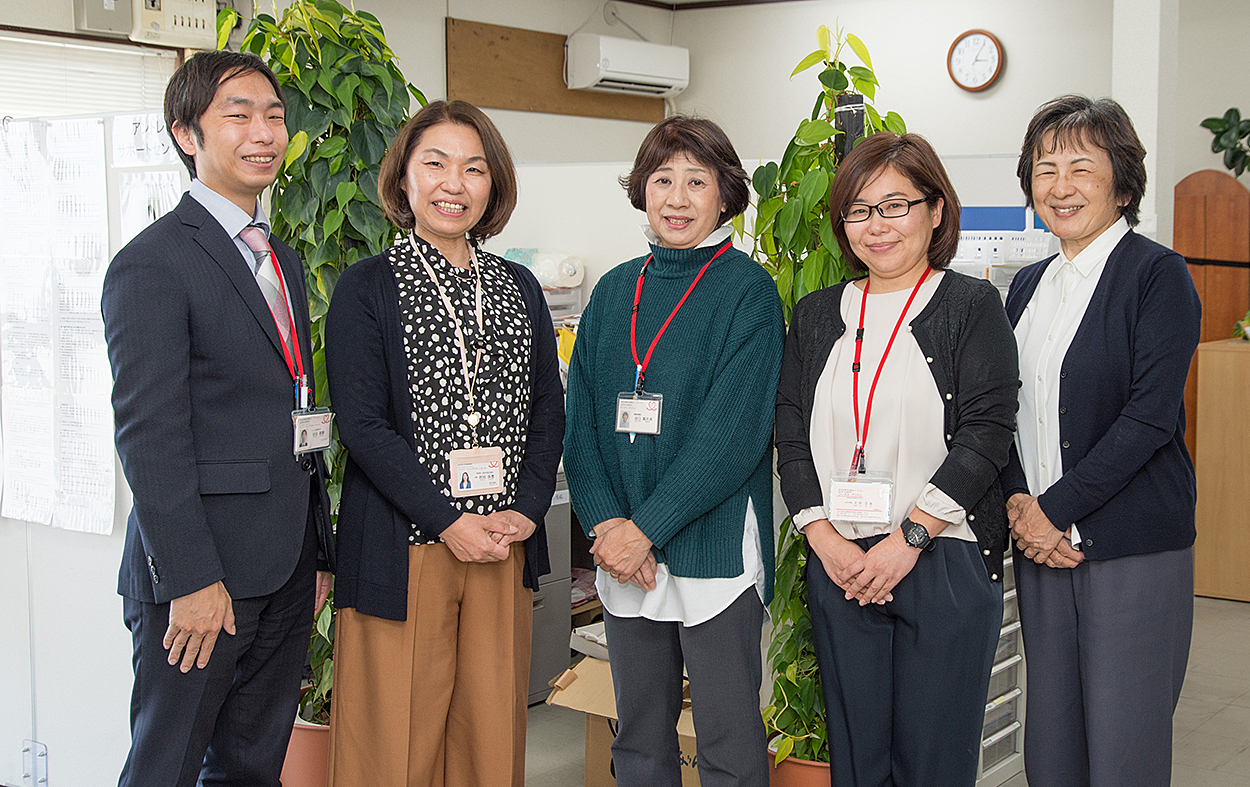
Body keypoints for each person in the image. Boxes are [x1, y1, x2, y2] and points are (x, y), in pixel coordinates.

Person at [102, 50, 334, 787]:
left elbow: (290, 407)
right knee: (165, 767)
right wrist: (192, 579)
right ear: (186, 134)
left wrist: (317, 551)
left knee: (249, 767)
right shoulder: (154, 263)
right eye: (238, 114)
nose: (263, 131)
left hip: (285, 565)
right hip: (202, 580)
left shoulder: (280, 260)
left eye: (273, 115)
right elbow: (149, 435)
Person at [324, 99, 564, 787]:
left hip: (501, 542)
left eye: (473, 168)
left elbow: (547, 407)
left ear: (494, 186)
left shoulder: (519, 287)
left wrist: (527, 505)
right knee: (393, 744)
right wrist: (447, 520)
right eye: (435, 164)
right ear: (405, 179)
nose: (452, 184)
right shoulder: (368, 287)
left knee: (490, 738)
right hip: (407, 549)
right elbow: (363, 425)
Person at [775, 132, 1018, 786]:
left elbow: (987, 432)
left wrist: (908, 538)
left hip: (942, 556)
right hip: (841, 561)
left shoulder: (970, 306)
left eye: (895, 205)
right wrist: (822, 538)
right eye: (859, 209)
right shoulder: (817, 313)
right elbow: (791, 435)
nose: (876, 226)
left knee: (932, 760)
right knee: (858, 759)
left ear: (936, 210)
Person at [563, 116, 784, 787]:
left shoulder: (748, 292)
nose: (678, 197)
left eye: (697, 180)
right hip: (625, 555)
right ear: (642, 189)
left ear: (725, 194)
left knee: (726, 739)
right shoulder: (613, 291)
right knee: (638, 737)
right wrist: (607, 526)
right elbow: (582, 427)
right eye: (663, 179)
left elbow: (731, 440)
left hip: (712, 550)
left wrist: (644, 531)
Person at [1001, 95, 1200, 787]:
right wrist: (1022, 507)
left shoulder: (1157, 275)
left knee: (1124, 746)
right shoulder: (1027, 286)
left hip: (1129, 547)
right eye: (1044, 168)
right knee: (1051, 743)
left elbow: (1148, 418)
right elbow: (1000, 410)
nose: (1060, 186)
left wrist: (1054, 508)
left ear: (1121, 179)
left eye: (1081, 167)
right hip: (1039, 547)